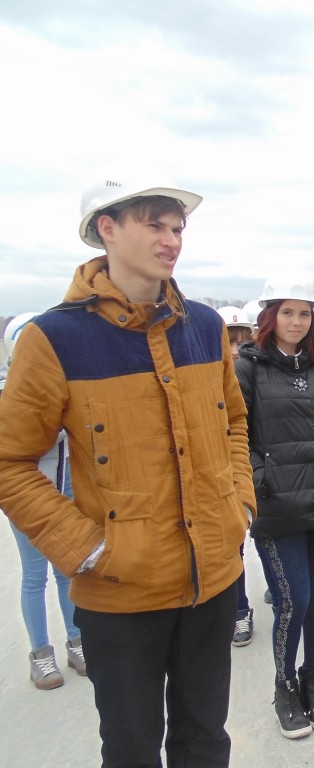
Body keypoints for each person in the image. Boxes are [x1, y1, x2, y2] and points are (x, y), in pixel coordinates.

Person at [0, 177, 256, 767]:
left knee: (205, 741)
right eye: (154, 225)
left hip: (213, 581)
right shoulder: (54, 339)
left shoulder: (204, 327)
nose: (172, 240)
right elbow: (11, 462)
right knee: (131, 749)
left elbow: (236, 424)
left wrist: (239, 503)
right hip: (120, 595)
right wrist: (86, 548)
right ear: (107, 229)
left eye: (178, 228)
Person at [235, 272, 314, 739]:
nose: (296, 321)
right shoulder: (247, 368)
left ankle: (313, 682)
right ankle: (284, 687)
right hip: (277, 503)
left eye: (304, 313)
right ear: (269, 316)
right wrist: (260, 479)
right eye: (287, 312)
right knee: (294, 600)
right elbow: (235, 434)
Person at [1, 315, 86, 689]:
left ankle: (77, 641)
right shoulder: (7, 391)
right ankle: (40, 653)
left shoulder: (63, 382)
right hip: (25, 493)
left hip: (65, 485)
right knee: (34, 575)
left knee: (68, 568)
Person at [218, 305, 259, 647]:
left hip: (259, 468)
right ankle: (238, 610)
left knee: (269, 534)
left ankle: (278, 587)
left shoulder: (259, 372)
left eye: (242, 342)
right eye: (228, 342)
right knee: (235, 546)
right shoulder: (205, 380)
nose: (235, 351)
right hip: (225, 473)